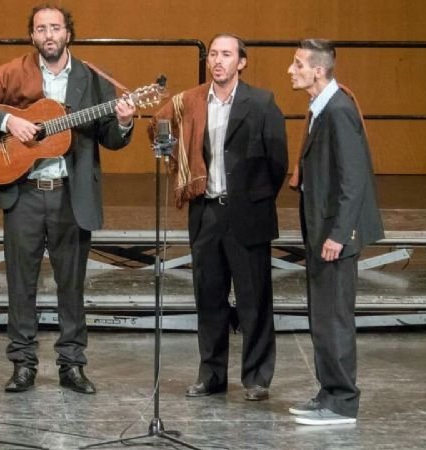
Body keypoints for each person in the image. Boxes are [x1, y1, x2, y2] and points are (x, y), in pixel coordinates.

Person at [0, 3, 136, 394]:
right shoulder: (14, 71)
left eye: (55, 28)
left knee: (71, 286)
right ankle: (23, 364)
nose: (49, 35)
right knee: (21, 284)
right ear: (32, 35)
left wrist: (123, 121)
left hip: (70, 195)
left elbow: (110, 137)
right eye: (41, 29)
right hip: (24, 193)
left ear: (68, 33)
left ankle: (72, 365)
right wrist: (9, 121)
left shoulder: (91, 78)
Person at [149, 33, 288, 401]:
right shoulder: (192, 102)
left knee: (254, 299)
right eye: (213, 54)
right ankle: (211, 375)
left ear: (241, 62)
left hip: (247, 214)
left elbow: (277, 162)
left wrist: (254, 199)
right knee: (209, 299)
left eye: (226, 54)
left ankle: (256, 378)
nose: (217, 61)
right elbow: (160, 128)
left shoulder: (261, 102)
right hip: (206, 212)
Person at [286, 38, 384, 425]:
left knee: (335, 319)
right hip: (321, 231)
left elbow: (353, 180)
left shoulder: (339, 110)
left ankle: (342, 402)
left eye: (298, 64)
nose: (291, 70)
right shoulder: (321, 108)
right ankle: (329, 393)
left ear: (318, 70)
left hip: (334, 236)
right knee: (323, 317)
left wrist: (339, 235)